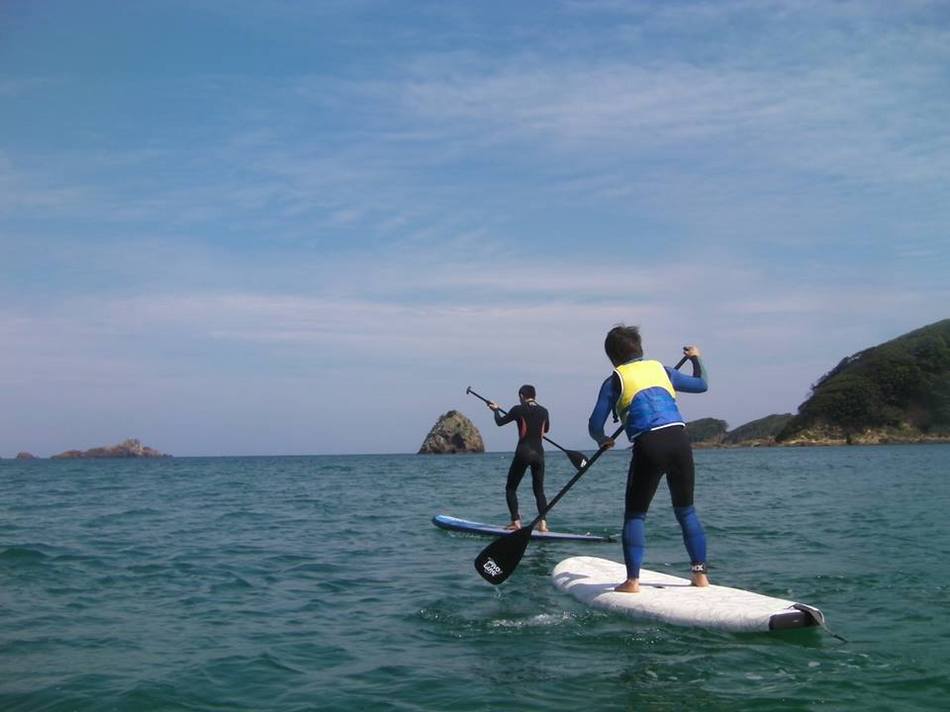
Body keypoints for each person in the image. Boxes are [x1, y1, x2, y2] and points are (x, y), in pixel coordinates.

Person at [588, 325, 710, 593]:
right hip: (680, 440)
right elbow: (701, 385)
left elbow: (595, 423)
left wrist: (603, 439)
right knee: (686, 511)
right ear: (640, 349)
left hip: (649, 445)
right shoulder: (661, 370)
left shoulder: (614, 381)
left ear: (612, 357)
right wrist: (696, 359)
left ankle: (632, 581)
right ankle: (700, 575)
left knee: (635, 515)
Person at [487, 385, 551, 532]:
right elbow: (545, 430)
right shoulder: (544, 411)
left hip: (524, 452)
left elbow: (500, 422)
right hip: (539, 454)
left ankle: (516, 522)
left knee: (510, 488)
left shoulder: (518, 409)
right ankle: (543, 524)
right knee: (539, 491)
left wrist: (496, 410)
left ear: (522, 395)